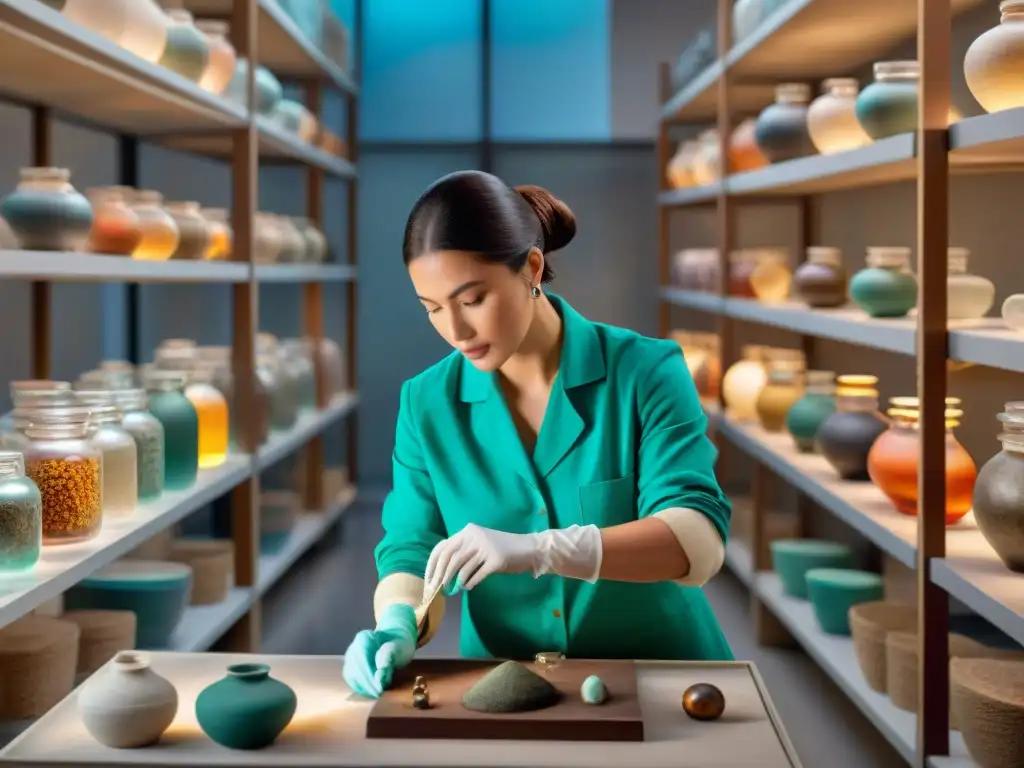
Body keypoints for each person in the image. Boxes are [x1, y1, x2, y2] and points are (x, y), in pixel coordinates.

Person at [342, 170, 733, 698]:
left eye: (472, 299)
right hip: (509, 689)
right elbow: (412, 547)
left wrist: (538, 549)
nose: (455, 332)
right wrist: (397, 622)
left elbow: (698, 541)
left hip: (664, 680)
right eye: (433, 309)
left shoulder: (646, 371)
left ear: (531, 267)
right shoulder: (427, 403)